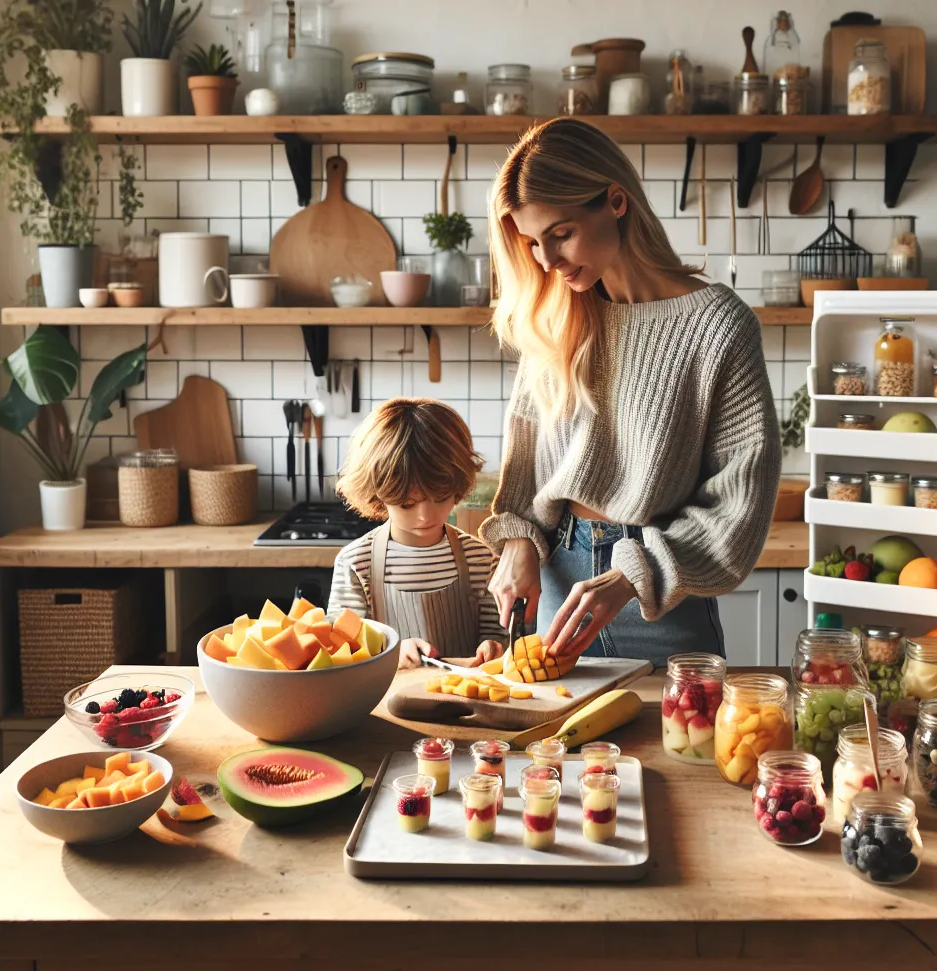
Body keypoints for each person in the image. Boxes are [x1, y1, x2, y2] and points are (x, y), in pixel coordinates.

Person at [480, 118, 781, 667]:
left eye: (561, 233)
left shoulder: (719, 326)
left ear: (615, 201)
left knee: (678, 751)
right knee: (555, 754)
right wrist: (519, 541)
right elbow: (525, 472)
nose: (546, 261)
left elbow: (738, 505)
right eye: (531, 243)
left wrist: (634, 574)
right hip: (557, 591)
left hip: (657, 603)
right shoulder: (553, 321)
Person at [328, 398, 507, 670]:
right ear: (378, 492)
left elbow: (498, 634)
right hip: (387, 704)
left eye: (441, 498)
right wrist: (391, 651)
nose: (425, 516)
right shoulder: (356, 563)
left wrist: (494, 647)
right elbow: (340, 646)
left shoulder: (480, 559)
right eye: (407, 504)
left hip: (466, 703)